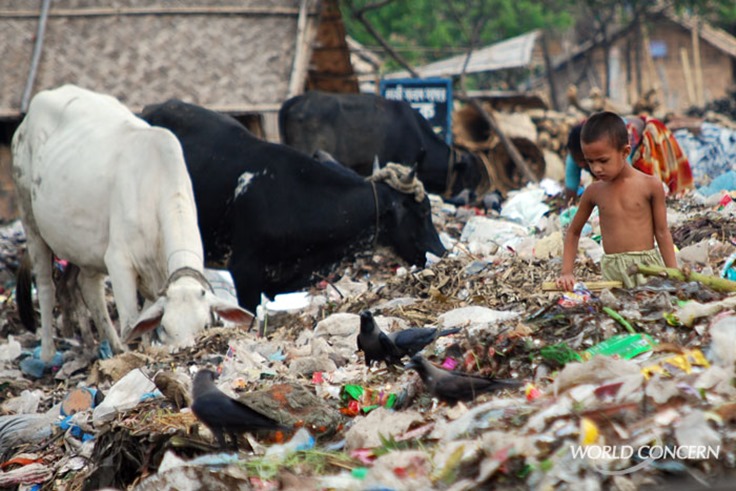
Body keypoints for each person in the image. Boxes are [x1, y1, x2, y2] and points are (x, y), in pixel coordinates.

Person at [557, 111, 678, 291]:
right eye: (590, 162)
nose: (596, 169)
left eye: (603, 160)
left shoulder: (650, 185)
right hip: (613, 273)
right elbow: (573, 232)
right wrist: (566, 272)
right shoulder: (594, 192)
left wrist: (674, 275)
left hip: (647, 270)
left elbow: (662, 233)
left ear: (625, 152)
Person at [563, 114, 694, 202]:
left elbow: (626, 178)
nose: (581, 165)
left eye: (585, 161)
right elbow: (570, 192)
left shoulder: (617, 149)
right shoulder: (577, 153)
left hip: (642, 135)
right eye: (585, 161)